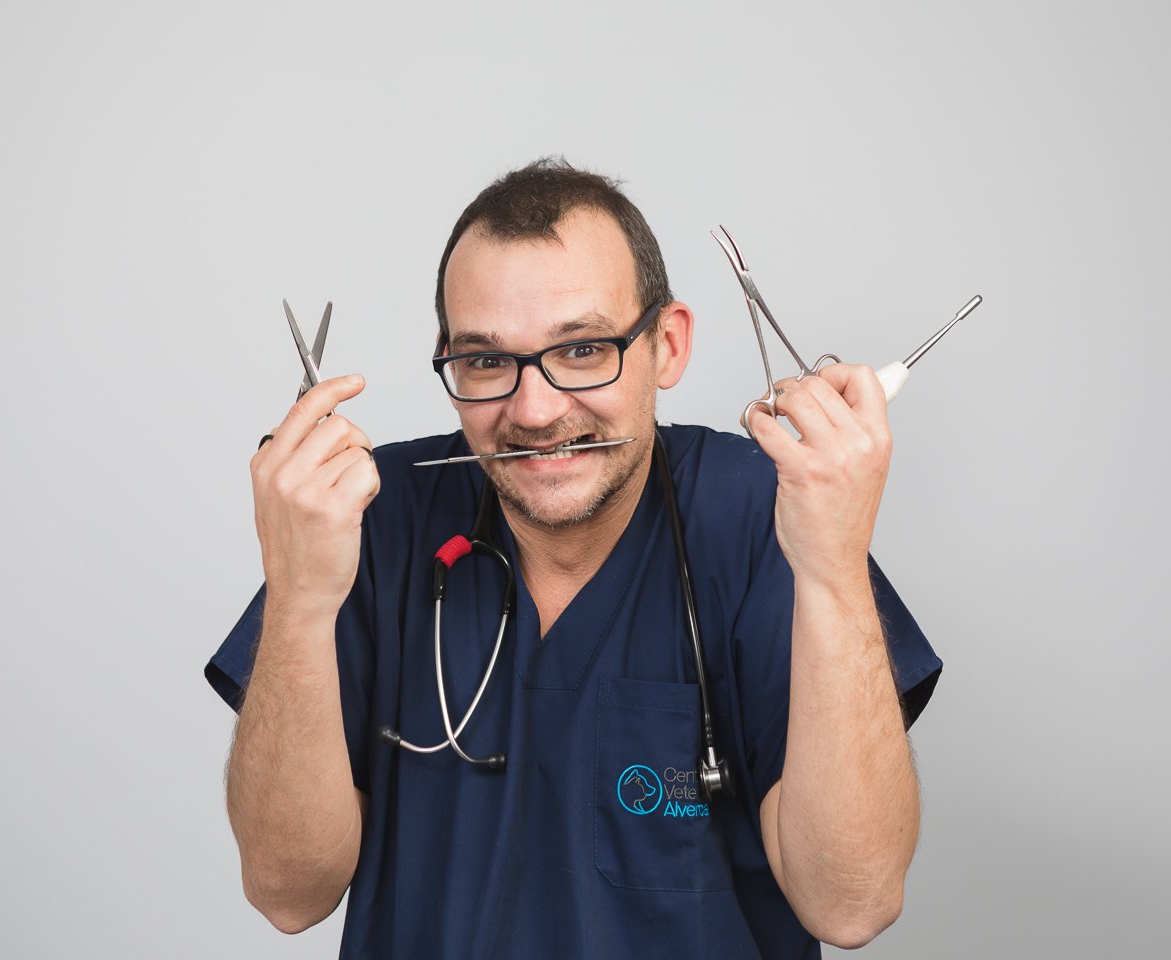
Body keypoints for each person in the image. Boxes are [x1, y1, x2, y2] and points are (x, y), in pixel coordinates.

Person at [205, 158, 942, 959]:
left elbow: (853, 903)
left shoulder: (764, 516)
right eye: (486, 361)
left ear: (667, 344)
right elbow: (286, 892)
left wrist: (834, 571)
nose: (535, 410)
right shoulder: (370, 520)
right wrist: (300, 599)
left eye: (583, 349)